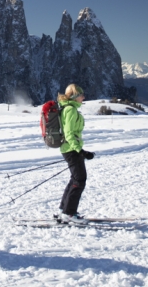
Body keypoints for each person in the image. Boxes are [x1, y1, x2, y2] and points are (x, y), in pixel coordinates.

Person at [57, 84, 94, 224]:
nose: (83, 97)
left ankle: (63, 210)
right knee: (79, 180)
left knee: (75, 179)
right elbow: (69, 134)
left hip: (70, 149)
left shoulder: (69, 108)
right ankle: (69, 213)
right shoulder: (70, 110)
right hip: (71, 149)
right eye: (81, 95)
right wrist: (80, 151)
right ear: (74, 96)